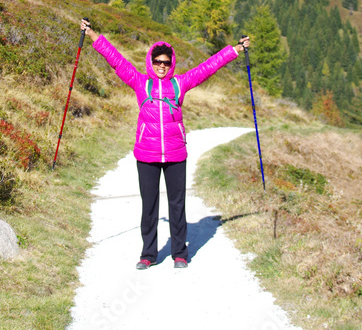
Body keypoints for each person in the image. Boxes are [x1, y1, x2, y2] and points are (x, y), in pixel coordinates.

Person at [79, 18, 250, 270]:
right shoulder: (140, 82)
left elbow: (208, 67)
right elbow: (115, 59)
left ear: (171, 64)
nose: (161, 65)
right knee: (149, 206)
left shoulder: (179, 84)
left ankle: (179, 253)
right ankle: (148, 255)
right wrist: (92, 34)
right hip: (146, 154)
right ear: (151, 61)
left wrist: (234, 50)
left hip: (175, 154)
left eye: (166, 62)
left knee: (177, 205)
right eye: (157, 61)